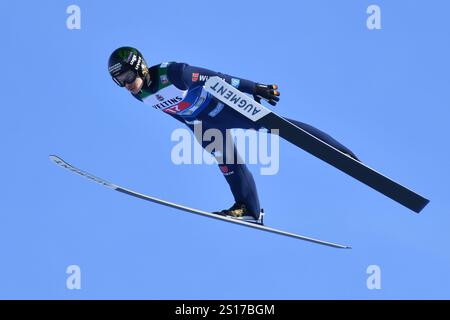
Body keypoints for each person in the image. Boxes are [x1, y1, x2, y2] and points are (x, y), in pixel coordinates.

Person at [108, 46, 359, 225]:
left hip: (224, 108)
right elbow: (173, 112)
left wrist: (253, 88)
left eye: (128, 76)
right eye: (120, 81)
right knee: (228, 164)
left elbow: (215, 77)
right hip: (202, 124)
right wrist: (198, 132)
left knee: (283, 129)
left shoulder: (173, 73)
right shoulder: (138, 95)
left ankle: (339, 151)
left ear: (139, 66)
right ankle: (249, 209)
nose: (127, 84)